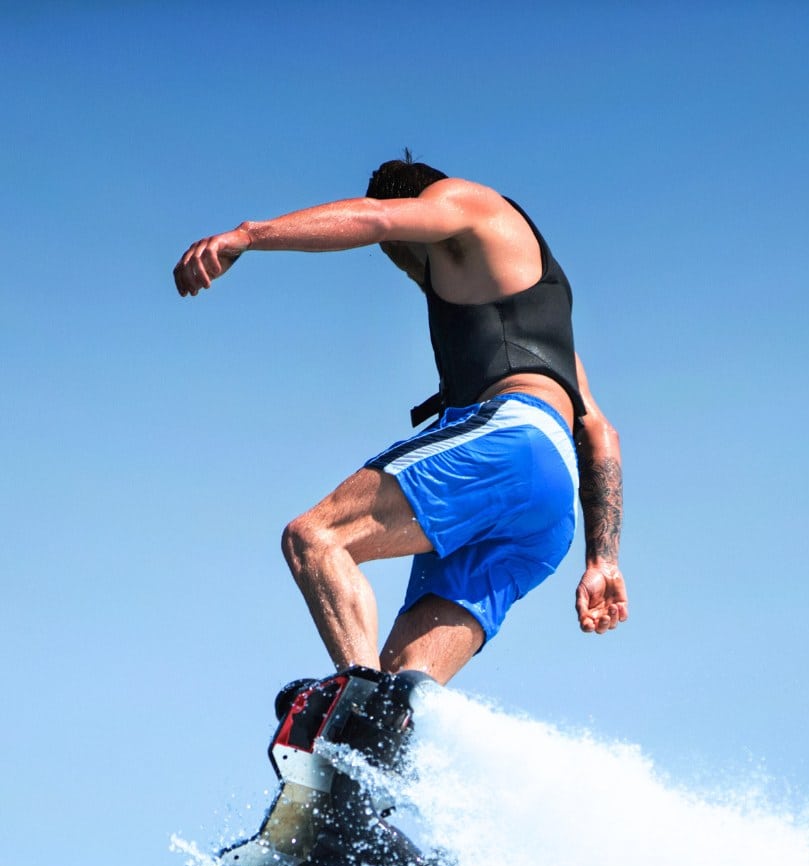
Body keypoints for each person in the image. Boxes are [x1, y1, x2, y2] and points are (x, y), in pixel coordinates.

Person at [173, 156, 628, 685]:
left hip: (508, 444)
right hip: (546, 500)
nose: (405, 268)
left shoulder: (465, 201)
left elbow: (376, 218)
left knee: (316, 537)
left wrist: (247, 236)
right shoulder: (539, 318)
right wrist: (604, 561)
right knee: (403, 683)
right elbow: (600, 431)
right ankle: (385, 743)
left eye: (395, 255)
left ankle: (356, 695)